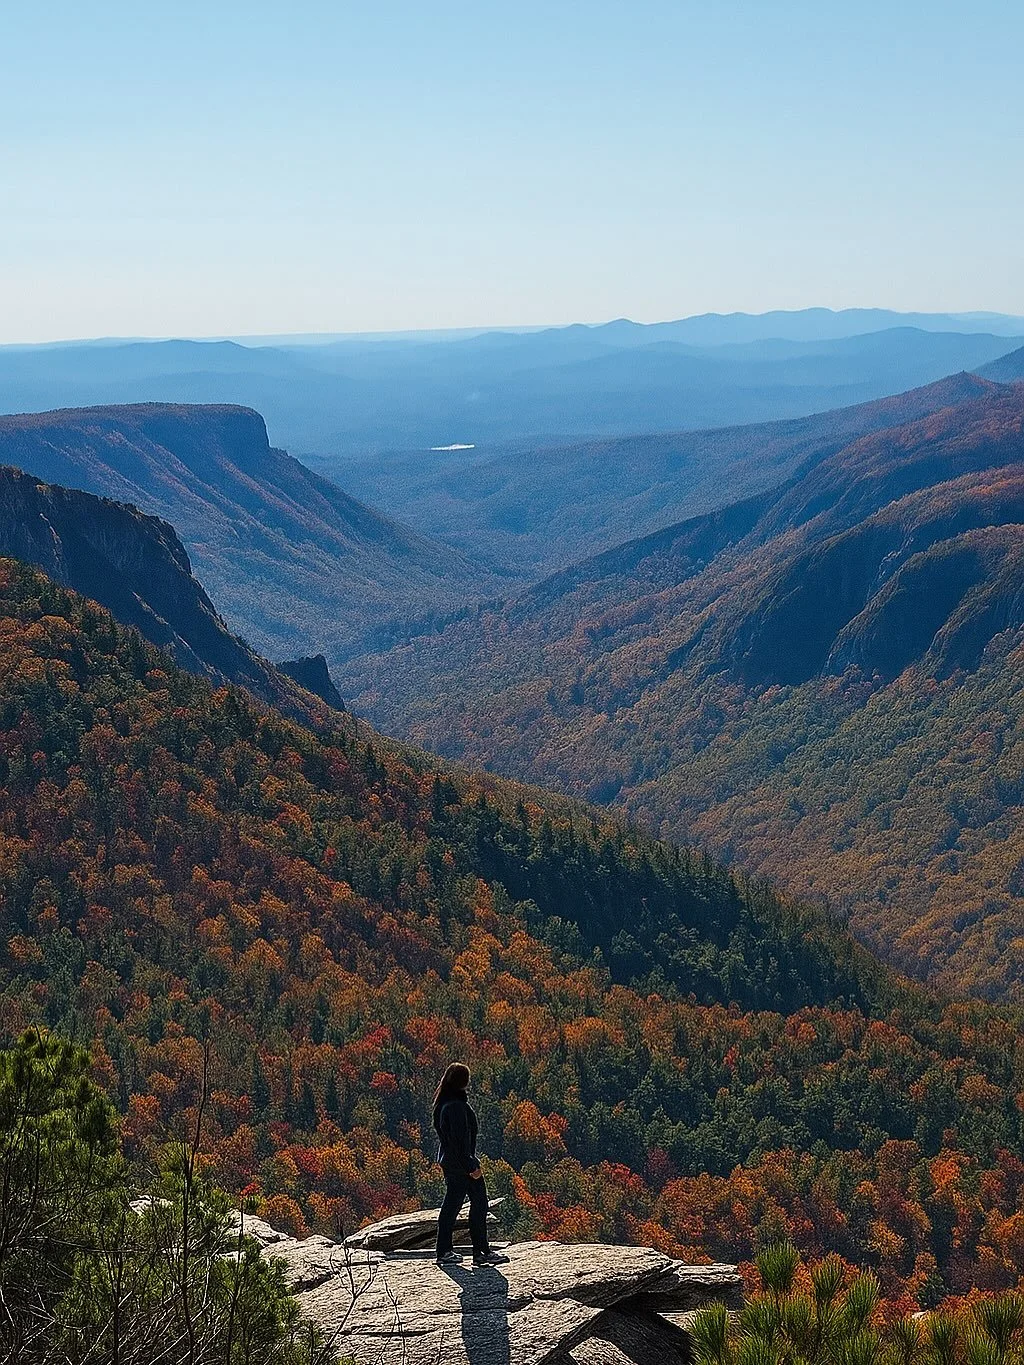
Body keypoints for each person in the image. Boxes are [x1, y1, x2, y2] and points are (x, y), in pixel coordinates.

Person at [432, 1062, 506, 1266]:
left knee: (451, 1207)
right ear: (462, 1082)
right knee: (479, 1205)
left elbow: (448, 1141)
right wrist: (471, 1167)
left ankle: (444, 1251)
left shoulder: (442, 1104)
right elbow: (459, 1142)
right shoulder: (456, 1107)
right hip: (462, 1165)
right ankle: (481, 1253)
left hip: (450, 1163)